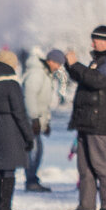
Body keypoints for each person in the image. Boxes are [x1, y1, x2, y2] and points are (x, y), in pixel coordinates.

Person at [64, 25, 106, 210]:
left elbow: (97, 80)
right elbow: (85, 78)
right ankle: (86, 205)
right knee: (84, 167)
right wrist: (70, 66)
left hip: (100, 121)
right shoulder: (99, 60)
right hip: (87, 120)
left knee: (101, 164)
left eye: (95, 40)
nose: (92, 43)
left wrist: (76, 65)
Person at [0, 49, 35, 210]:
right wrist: (28, 136)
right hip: (11, 130)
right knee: (9, 170)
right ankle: (6, 208)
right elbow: (20, 113)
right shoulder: (12, 85)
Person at [21, 48, 66, 192]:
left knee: (37, 150)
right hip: (30, 119)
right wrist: (34, 118)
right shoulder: (37, 74)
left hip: (36, 120)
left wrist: (46, 123)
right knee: (34, 150)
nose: (58, 67)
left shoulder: (46, 75)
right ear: (50, 61)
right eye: (57, 64)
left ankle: (32, 179)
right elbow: (29, 97)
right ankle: (31, 181)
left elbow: (44, 103)